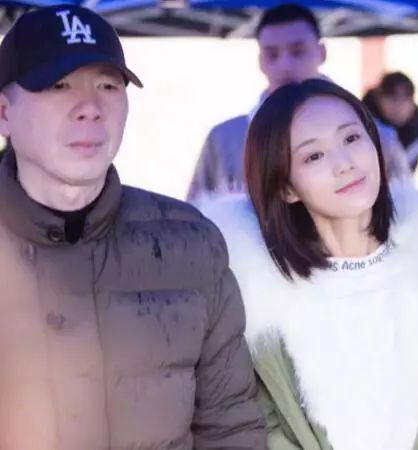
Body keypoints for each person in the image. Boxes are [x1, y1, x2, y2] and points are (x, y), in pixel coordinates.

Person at [0, 5, 266, 449]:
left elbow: (230, 428)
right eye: (59, 85)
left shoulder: (190, 245)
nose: (89, 108)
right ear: (4, 113)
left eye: (108, 85)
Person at [201, 79, 418, 450]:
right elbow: (256, 425)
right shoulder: (254, 301)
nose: (344, 164)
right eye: (314, 156)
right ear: (285, 187)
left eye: (352, 138)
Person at [187, 3, 327, 201]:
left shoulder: (363, 129)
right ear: (260, 61)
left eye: (298, 51)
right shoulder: (225, 139)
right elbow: (196, 212)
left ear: (322, 53)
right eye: (272, 55)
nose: (285, 65)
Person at [363, 71, 418, 170]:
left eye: (405, 100)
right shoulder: (361, 124)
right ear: (379, 98)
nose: (399, 107)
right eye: (393, 99)